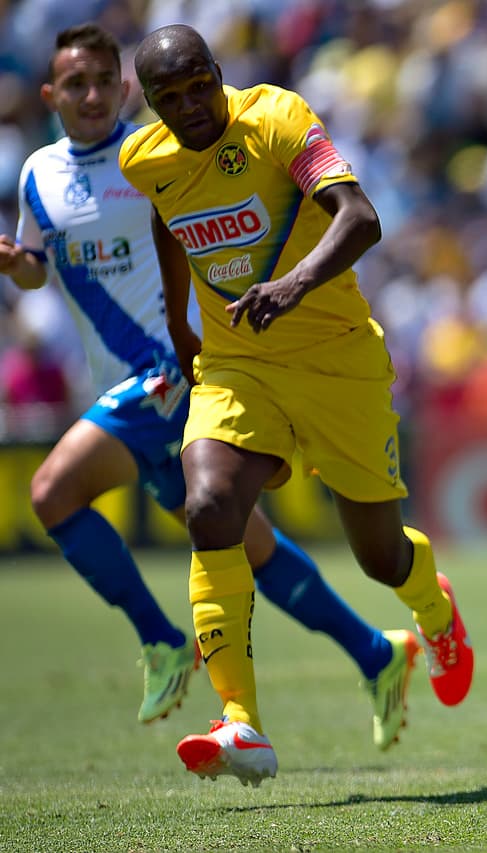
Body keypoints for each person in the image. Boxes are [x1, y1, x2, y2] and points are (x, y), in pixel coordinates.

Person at [0, 23, 422, 756]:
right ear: (52, 94)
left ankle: (164, 641)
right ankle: (372, 655)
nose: (94, 95)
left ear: (124, 89)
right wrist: (19, 268)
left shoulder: (180, 143)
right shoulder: (44, 174)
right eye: (77, 84)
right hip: (161, 367)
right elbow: (53, 260)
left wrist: (188, 323)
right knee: (234, 533)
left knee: (55, 494)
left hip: (172, 371)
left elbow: (323, 210)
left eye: (104, 80)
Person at [120, 23, 475, 787]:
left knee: (379, 556)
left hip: (336, 360)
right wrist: (178, 320)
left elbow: (360, 215)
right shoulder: (143, 158)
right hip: (238, 363)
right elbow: (167, 218)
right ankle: (240, 721)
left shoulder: (277, 118)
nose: (188, 107)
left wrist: (294, 283)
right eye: (167, 98)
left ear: (219, 74)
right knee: (210, 506)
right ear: (149, 104)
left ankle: (433, 607)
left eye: (197, 86)